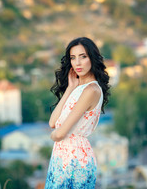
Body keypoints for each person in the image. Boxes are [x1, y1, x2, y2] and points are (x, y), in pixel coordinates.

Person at [45, 37, 110, 188]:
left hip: (76, 160)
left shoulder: (91, 90)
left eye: (83, 57)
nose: (78, 63)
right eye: (73, 58)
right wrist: (70, 88)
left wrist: (53, 135)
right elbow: (52, 122)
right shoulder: (78, 89)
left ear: (92, 58)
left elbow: (59, 133)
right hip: (62, 157)